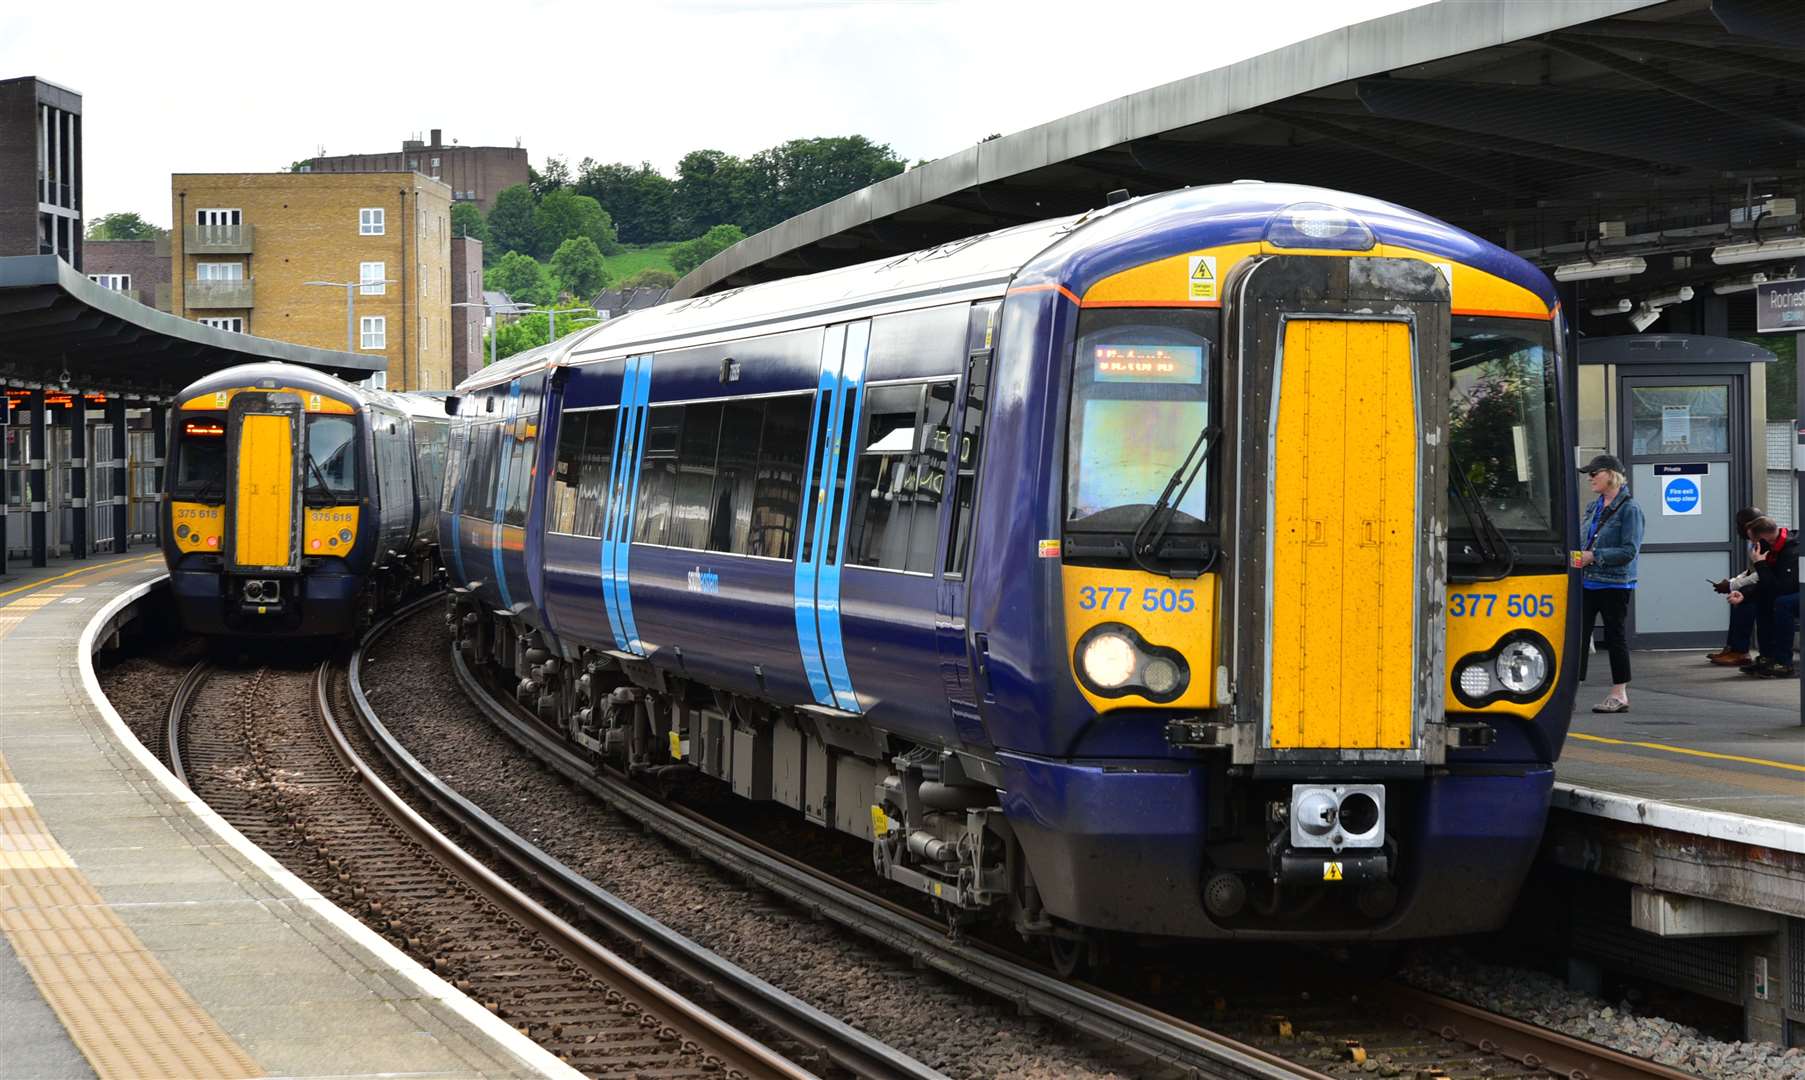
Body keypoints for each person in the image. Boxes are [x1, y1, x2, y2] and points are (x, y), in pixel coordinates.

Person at [1575, 454, 1644, 713]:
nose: (1590, 478)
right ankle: (1571, 690)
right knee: (1578, 636)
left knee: (1615, 637)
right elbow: (1584, 540)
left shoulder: (1630, 509)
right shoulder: (1594, 507)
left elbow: (1629, 551)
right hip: (1587, 579)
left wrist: (1595, 556)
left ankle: (1619, 694)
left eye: (1595, 473)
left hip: (1615, 583)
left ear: (1611, 475)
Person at [1727, 516, 1798, 678]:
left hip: (1795, 591)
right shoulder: (1773, 549)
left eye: (1753, 541)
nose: (1752, 546)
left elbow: (1781, 588)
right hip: (1789, 590)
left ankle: (1783, 663)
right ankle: (1767, 657)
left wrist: (1760, 563)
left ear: (1764, 539)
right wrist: (1744, 594)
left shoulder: (1792, 550)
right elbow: (1767, 583)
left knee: (1782, 603)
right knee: (1763, 600)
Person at [1705, 506, 1768, 666]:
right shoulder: (1753, 541)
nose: (1737, 528)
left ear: (1748, 526)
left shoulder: (1764, 542)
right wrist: (1733, 582)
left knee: (1745, 599)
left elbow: (1761, 573)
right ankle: (1733, 648)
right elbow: (1751, 570)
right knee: (1740, 593)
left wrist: (1732, 585)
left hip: (1772, 587)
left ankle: (1741, 652)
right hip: (1762, 584)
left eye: (1739, 524)